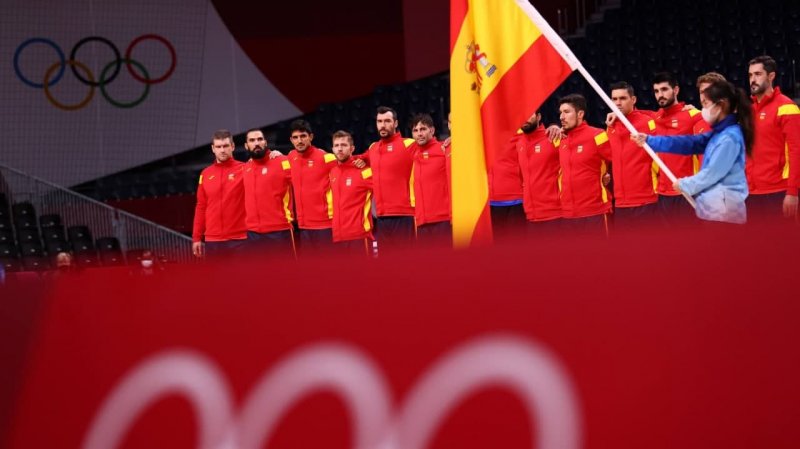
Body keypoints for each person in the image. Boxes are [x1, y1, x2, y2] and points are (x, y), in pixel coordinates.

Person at [633, 80, 753, 224]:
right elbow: (687, 143)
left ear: (721, 104)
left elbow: (713, 172)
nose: (702, 105)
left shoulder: (730, 136)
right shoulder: (717, 133)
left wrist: (685, 184)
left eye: (706, 102)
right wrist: (650, 140)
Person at [746, 55, 800, 220]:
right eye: (750, 75)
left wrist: (792, 192)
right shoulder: (748, 111)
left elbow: (796, 151)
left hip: (779, 192)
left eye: (758, 74)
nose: (753, 79)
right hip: (752, 193)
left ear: (771, 76)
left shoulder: (787, 107)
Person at [650, 72, 709, 221]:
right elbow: (635, 115)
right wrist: (616, 115)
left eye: (664, 89)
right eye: (656, 91)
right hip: (663, 194)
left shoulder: (692, 115)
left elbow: (721, 115)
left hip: (686, 192)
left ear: (675, 90)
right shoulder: (655, 118)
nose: (660, 95)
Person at [362, 106, 416, 253]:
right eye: (379, 121)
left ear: (396, 123)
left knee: (406, 260)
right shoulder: (373, 148)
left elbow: (431, 147)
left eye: (387, 121)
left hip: (404, 215)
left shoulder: (409, 144)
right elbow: (357, 159)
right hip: (381, 216)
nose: (383, 125)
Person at [605, 81, 659, 227]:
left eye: (623, 98)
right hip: (620, 203)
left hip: (646, 200)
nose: (618, 103)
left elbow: (668, 117)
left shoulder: (649, 122)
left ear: (633, 100)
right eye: (614, 99)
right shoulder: (610, 126)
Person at [557, 94, 613, 234]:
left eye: (566, 112)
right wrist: (552, 126)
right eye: (560, 112)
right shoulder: (560, 140)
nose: (561, 117)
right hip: (568, 214)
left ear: (580, 114)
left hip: (594, 212)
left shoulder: (598, 135)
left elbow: (616, 161)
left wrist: (608, 175)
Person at [192, 129, 247, 259]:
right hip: (213, 240)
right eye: (218, 147)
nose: (222, 150)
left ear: (232, 146)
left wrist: (273, 154)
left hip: (240, 239)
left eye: (225, 146)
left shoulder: (245, 169)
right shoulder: (205, 174)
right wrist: (196, 238)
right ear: (213, 148)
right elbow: (201, 207)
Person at [286, 119, 337, 255]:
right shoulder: (291, 157)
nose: (299, 141)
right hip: (303, 226)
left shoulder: (327, 158)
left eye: (303, 136)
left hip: (326, 226)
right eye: (295, 137)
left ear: (311, 137)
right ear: (291, 140)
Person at [242, 128, 295, 258]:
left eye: (260, 139)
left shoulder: (282, 161)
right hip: (253, 234)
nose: (256, 143)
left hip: (280, 231)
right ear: (246, 146)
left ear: (265, 142)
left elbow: (305, 170)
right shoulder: (245, 168)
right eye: (252, 140)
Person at [514, 111, 562, 235]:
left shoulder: (553, 137)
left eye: (529, 114)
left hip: (555, 214)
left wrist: (603, 174)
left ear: (539, 116)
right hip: (531, 215)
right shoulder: (519, 143)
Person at [409, 113, 451, 246]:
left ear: (432, 130)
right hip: (421, 222)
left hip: (443, 220)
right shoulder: (412, 153)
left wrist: (456, 139)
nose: (419, 134)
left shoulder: (444, 149)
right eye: (415, 130)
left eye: (423, 129)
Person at [329, 131, 374, 256]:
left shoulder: (364, 171)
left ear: (352, 148)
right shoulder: (333, 172)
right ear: (332, 149)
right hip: (338, 237)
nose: (340, 149)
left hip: (359, 237)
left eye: (344, 145)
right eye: (336, 145)